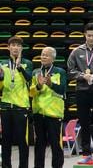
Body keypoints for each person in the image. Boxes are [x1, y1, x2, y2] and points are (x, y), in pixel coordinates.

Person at [67, 23, 93, 165]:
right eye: (88, 35)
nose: (91, 38)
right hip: (82, 91)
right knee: (84, 122)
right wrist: (82, 76)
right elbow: (70, 71)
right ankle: (86, 153)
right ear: (84, 35)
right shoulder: (76, 51)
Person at [30, 47, 66, 168]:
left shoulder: (59, 71)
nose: (44, 57)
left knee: (56, 145)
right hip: (38, 113)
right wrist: (39, 86)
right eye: (42, 54)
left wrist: (51, 84)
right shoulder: (35, 72)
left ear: (53, 58)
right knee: (39, 145)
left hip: (54, 114)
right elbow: (31, 93)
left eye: (47, 55)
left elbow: (62, 90)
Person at [0, 36, 33, 168]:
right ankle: (6, 166)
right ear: (8, 47)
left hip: (21, 107)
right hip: (5, 106)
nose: (15, 47)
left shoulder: (27, 63)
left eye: (18, 45)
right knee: (6, 140)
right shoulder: (2, 63)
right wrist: (1, 78)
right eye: (12, 45)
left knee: (22, 141)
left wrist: (20, 67)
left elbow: (30, 79)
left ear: (21, 48)